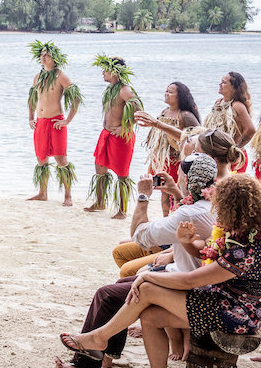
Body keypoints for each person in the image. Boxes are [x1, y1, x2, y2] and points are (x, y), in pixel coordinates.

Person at [60, 173, 261, 368]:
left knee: (146, 289)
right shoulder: (238, 234)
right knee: (150, 315)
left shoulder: (245, 250)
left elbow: (190, 281)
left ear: (231, 207)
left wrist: (147, 277)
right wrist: (185, 240)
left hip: (236, 315)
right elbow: (205, 251)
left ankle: (100, 337)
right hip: (221, 300)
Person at [54, 153, 220, 368]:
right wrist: (176, 192)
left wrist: (143, 196)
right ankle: (105, 355)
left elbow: (140, 235)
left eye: (180, 173)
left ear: (188, 178)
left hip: (184, 282)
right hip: (184, 273)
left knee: (107, 294)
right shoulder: (213, 204)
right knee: (121, 285)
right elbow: (195, 217)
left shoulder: (188, 213)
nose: (177, 176)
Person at [111, 130, 242, 277]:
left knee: (129, 269)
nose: (192, 153)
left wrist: (143, 196)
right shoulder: (225, 186)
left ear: (208, 159)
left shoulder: (223, 194)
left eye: (195, 150)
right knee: (125, 254)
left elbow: (199, 226)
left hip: (195, 263)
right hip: (187, 246)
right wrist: (175, 191)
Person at [86, 55, 143, 218]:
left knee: (122, 174)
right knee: (99, 167)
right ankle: (100, 202)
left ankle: (122, 210)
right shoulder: (111, 89)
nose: (103, 72)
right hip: (106, 135)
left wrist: (125, 127)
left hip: (121, 138)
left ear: (115, 72)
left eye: (106, 70)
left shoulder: (125, 90)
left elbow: (137, 110)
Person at [26, 41, 81, 206]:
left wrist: (67, 120)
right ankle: (43, 193)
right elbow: (32, 99)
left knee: (61, 159)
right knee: (41, 158)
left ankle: (68, 196)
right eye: (41, 55)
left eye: (46, 55)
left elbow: (76, 99)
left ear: (54, 58)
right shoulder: (38, 76)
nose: (43, 57)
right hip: (40, 122)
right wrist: (30, 117)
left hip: (56, 122)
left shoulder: (61, 76)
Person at [137, 82, 200, 216]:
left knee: (176, 190)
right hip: (163, 160)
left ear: (180, 96)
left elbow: (196, 138)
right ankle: (166, 217)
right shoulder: (165, 112)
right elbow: (157, 135)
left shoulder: (186, 115)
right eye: (166, 90)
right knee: (163, 190)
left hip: (177, 161)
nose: (166, 93)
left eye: (171, 92)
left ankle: (176, 216)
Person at [202, 71, 253, 172]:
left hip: (233, 158)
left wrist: (236, 147)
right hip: (218, 156)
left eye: (224, 82)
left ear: (233, 87)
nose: (220, 84)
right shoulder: (219, 102)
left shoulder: (237, 106)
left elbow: (250, 129)